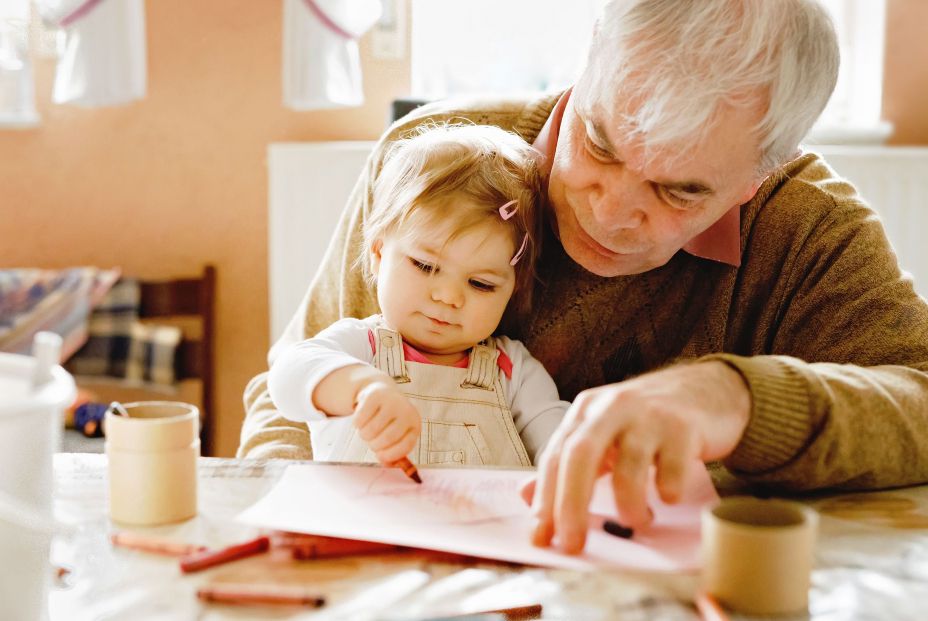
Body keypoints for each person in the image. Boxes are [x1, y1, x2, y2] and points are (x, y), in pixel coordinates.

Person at [239, 0, 928, 555]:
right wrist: (292, 547)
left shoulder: (807, 227)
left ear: (758, 175)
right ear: (592, 52)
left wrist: (738, 398)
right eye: (599, 143)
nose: (612, 210)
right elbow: (288, 398)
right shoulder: (436, 164)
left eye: (679, 190)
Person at [266, 123, 568, 467]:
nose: (448, 297)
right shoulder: (362, 347)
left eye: (481, 284)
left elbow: (558, 441)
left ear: (513, 290)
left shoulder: (513, 371)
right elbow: (287, 377)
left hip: (477, 520)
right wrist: (361, 388)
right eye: (425, 266)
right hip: (360, 518)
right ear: (379, 255)